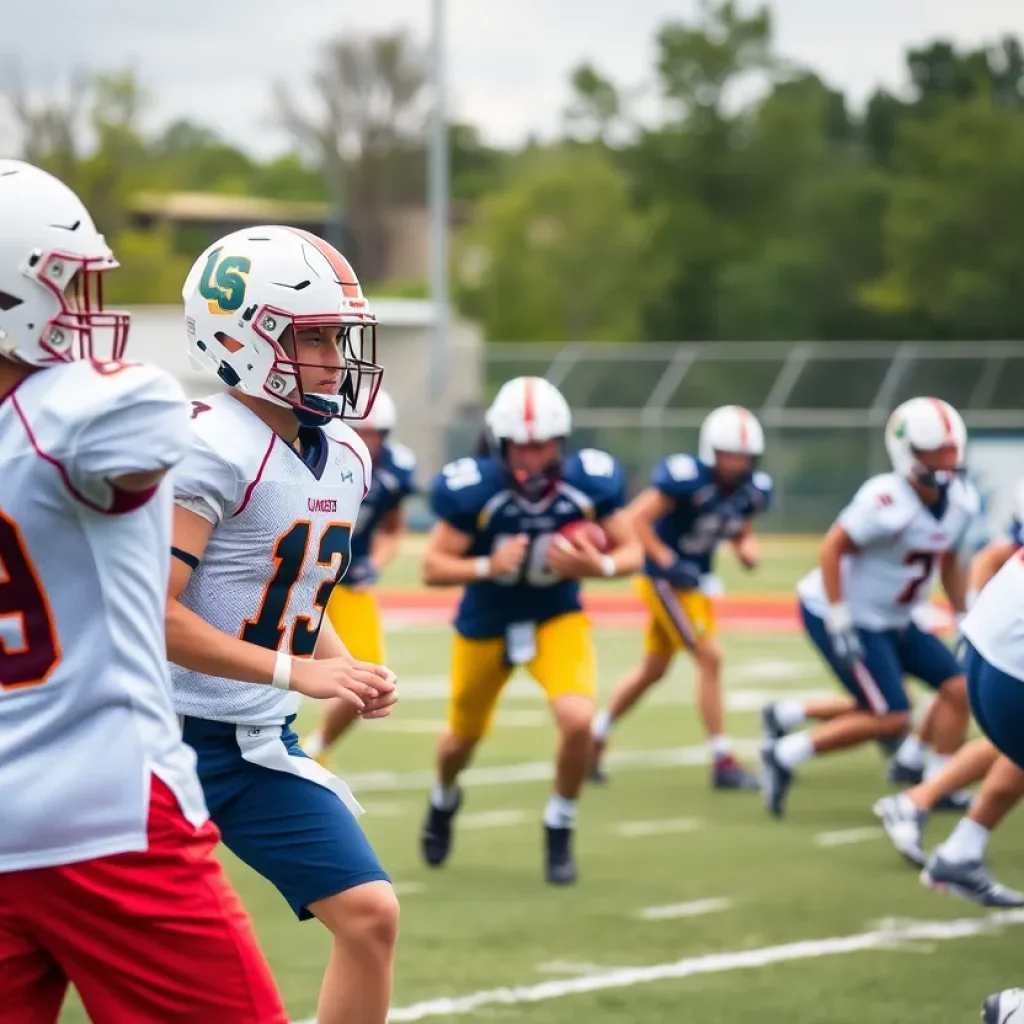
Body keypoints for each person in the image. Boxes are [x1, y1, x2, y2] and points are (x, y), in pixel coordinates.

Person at [0, 161, 285, 1023]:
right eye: (66, 283)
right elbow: (140, 426)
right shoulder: (85, 410)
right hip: (110, 814)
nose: (83, 309)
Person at [167, 226, 399, 1024]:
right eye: (314, 338)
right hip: (155, 741)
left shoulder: (345, 454)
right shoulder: (206, 447)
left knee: (369, 916)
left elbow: (292, 591)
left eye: (338, 337)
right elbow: (152, 616)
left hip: (254, 742)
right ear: (243, 338)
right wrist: (299, 672)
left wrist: (343, 661)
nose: (336, 359)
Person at [419, 376, 642, 884]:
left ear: (560, 442)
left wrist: (600, 566)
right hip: (486, 620)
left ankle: (560, 822)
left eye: (541, 445)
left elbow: (632, 550)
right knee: (460, 742)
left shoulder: (589, 483)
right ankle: (444, 797)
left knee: (579, 719)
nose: (531, 457)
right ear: (499, 443)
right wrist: (488, 565)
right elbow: (432, 567)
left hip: (554, 614)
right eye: (520, 445)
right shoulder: (475, 489)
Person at [761, 397, 974, 818]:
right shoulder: (885, 499)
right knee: (891, 715)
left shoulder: (962, 501)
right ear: (908, 452)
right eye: (935, 452)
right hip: (848, 616)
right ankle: (784, 754)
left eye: (951, 451)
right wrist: (839, 615)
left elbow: (948, 558)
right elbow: (832, 547)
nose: (946, 461)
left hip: (897, 618)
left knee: (959, 690)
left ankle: (939, 783)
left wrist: (963, 614)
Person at [590, 405, 770, 790]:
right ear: (712, 452)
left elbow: (741, 528)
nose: (737, 464)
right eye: (729, 455)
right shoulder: (687, 479)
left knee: (652, 670)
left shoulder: (751, 492)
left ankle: (594, 736)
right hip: (664, 582)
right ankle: (722, 760)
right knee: (710, 657)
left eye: (743, 457)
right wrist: (667, 560)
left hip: (693, 585)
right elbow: (636, 518)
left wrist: (746, 549)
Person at [304, 389, 418, 765]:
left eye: (375, 433)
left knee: (370, 677)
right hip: (298, 579)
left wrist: (376, 563)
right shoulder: (312, 454)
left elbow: (392, 528)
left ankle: (316, 749)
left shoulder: (395, 469)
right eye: (360, 431)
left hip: (349, 583)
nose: (367, 441)